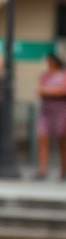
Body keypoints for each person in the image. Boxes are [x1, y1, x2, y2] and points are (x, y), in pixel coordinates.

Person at [34, 52, 66, 181]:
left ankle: (63, 170)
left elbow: (62, 91)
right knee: (42, 140)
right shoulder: (45, 76)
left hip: (61, 112)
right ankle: (42, 170)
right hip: (45, 112)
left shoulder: (63, 75)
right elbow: (39, 90)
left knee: (62, 143)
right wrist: (51, 91)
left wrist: (47, 91)